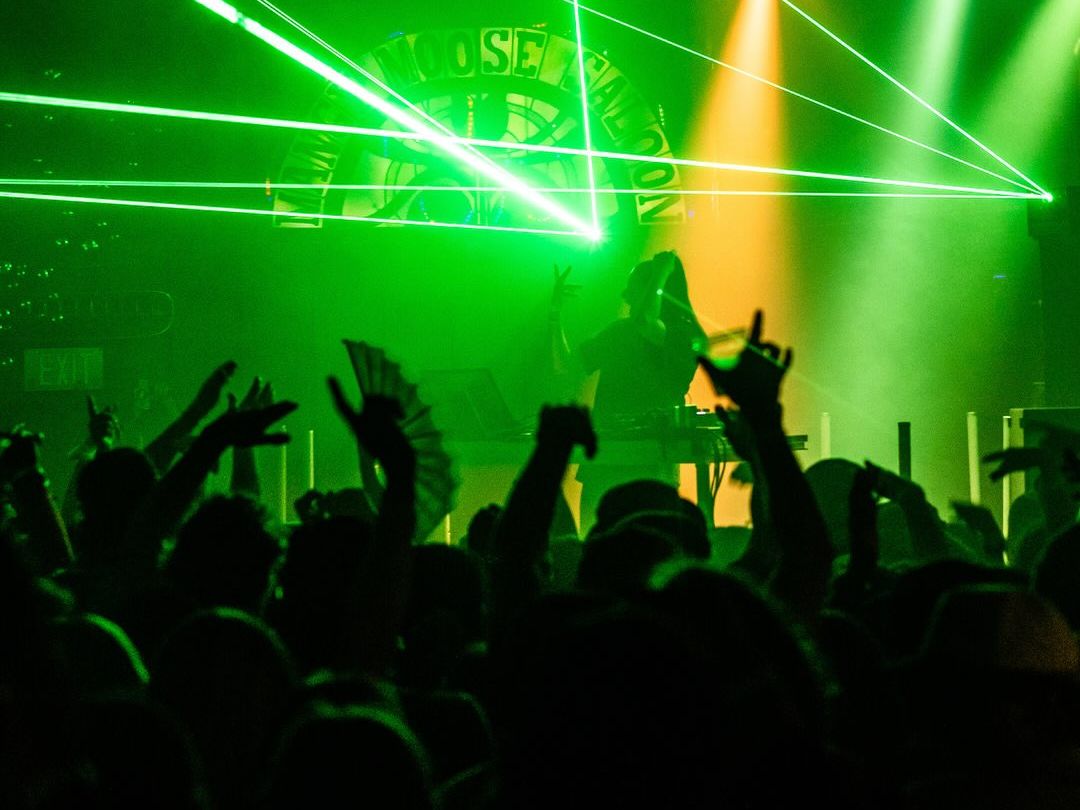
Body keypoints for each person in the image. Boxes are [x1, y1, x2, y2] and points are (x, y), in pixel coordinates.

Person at [550, 251, 705, 530]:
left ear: (653, 291)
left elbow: (646, 322)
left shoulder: (681, 337)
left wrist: (661, 273)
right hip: (606, 462)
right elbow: (569, 366)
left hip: (650, 468)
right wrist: (555, 314)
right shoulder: (620, 332)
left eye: (632, 288)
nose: (625, 295)